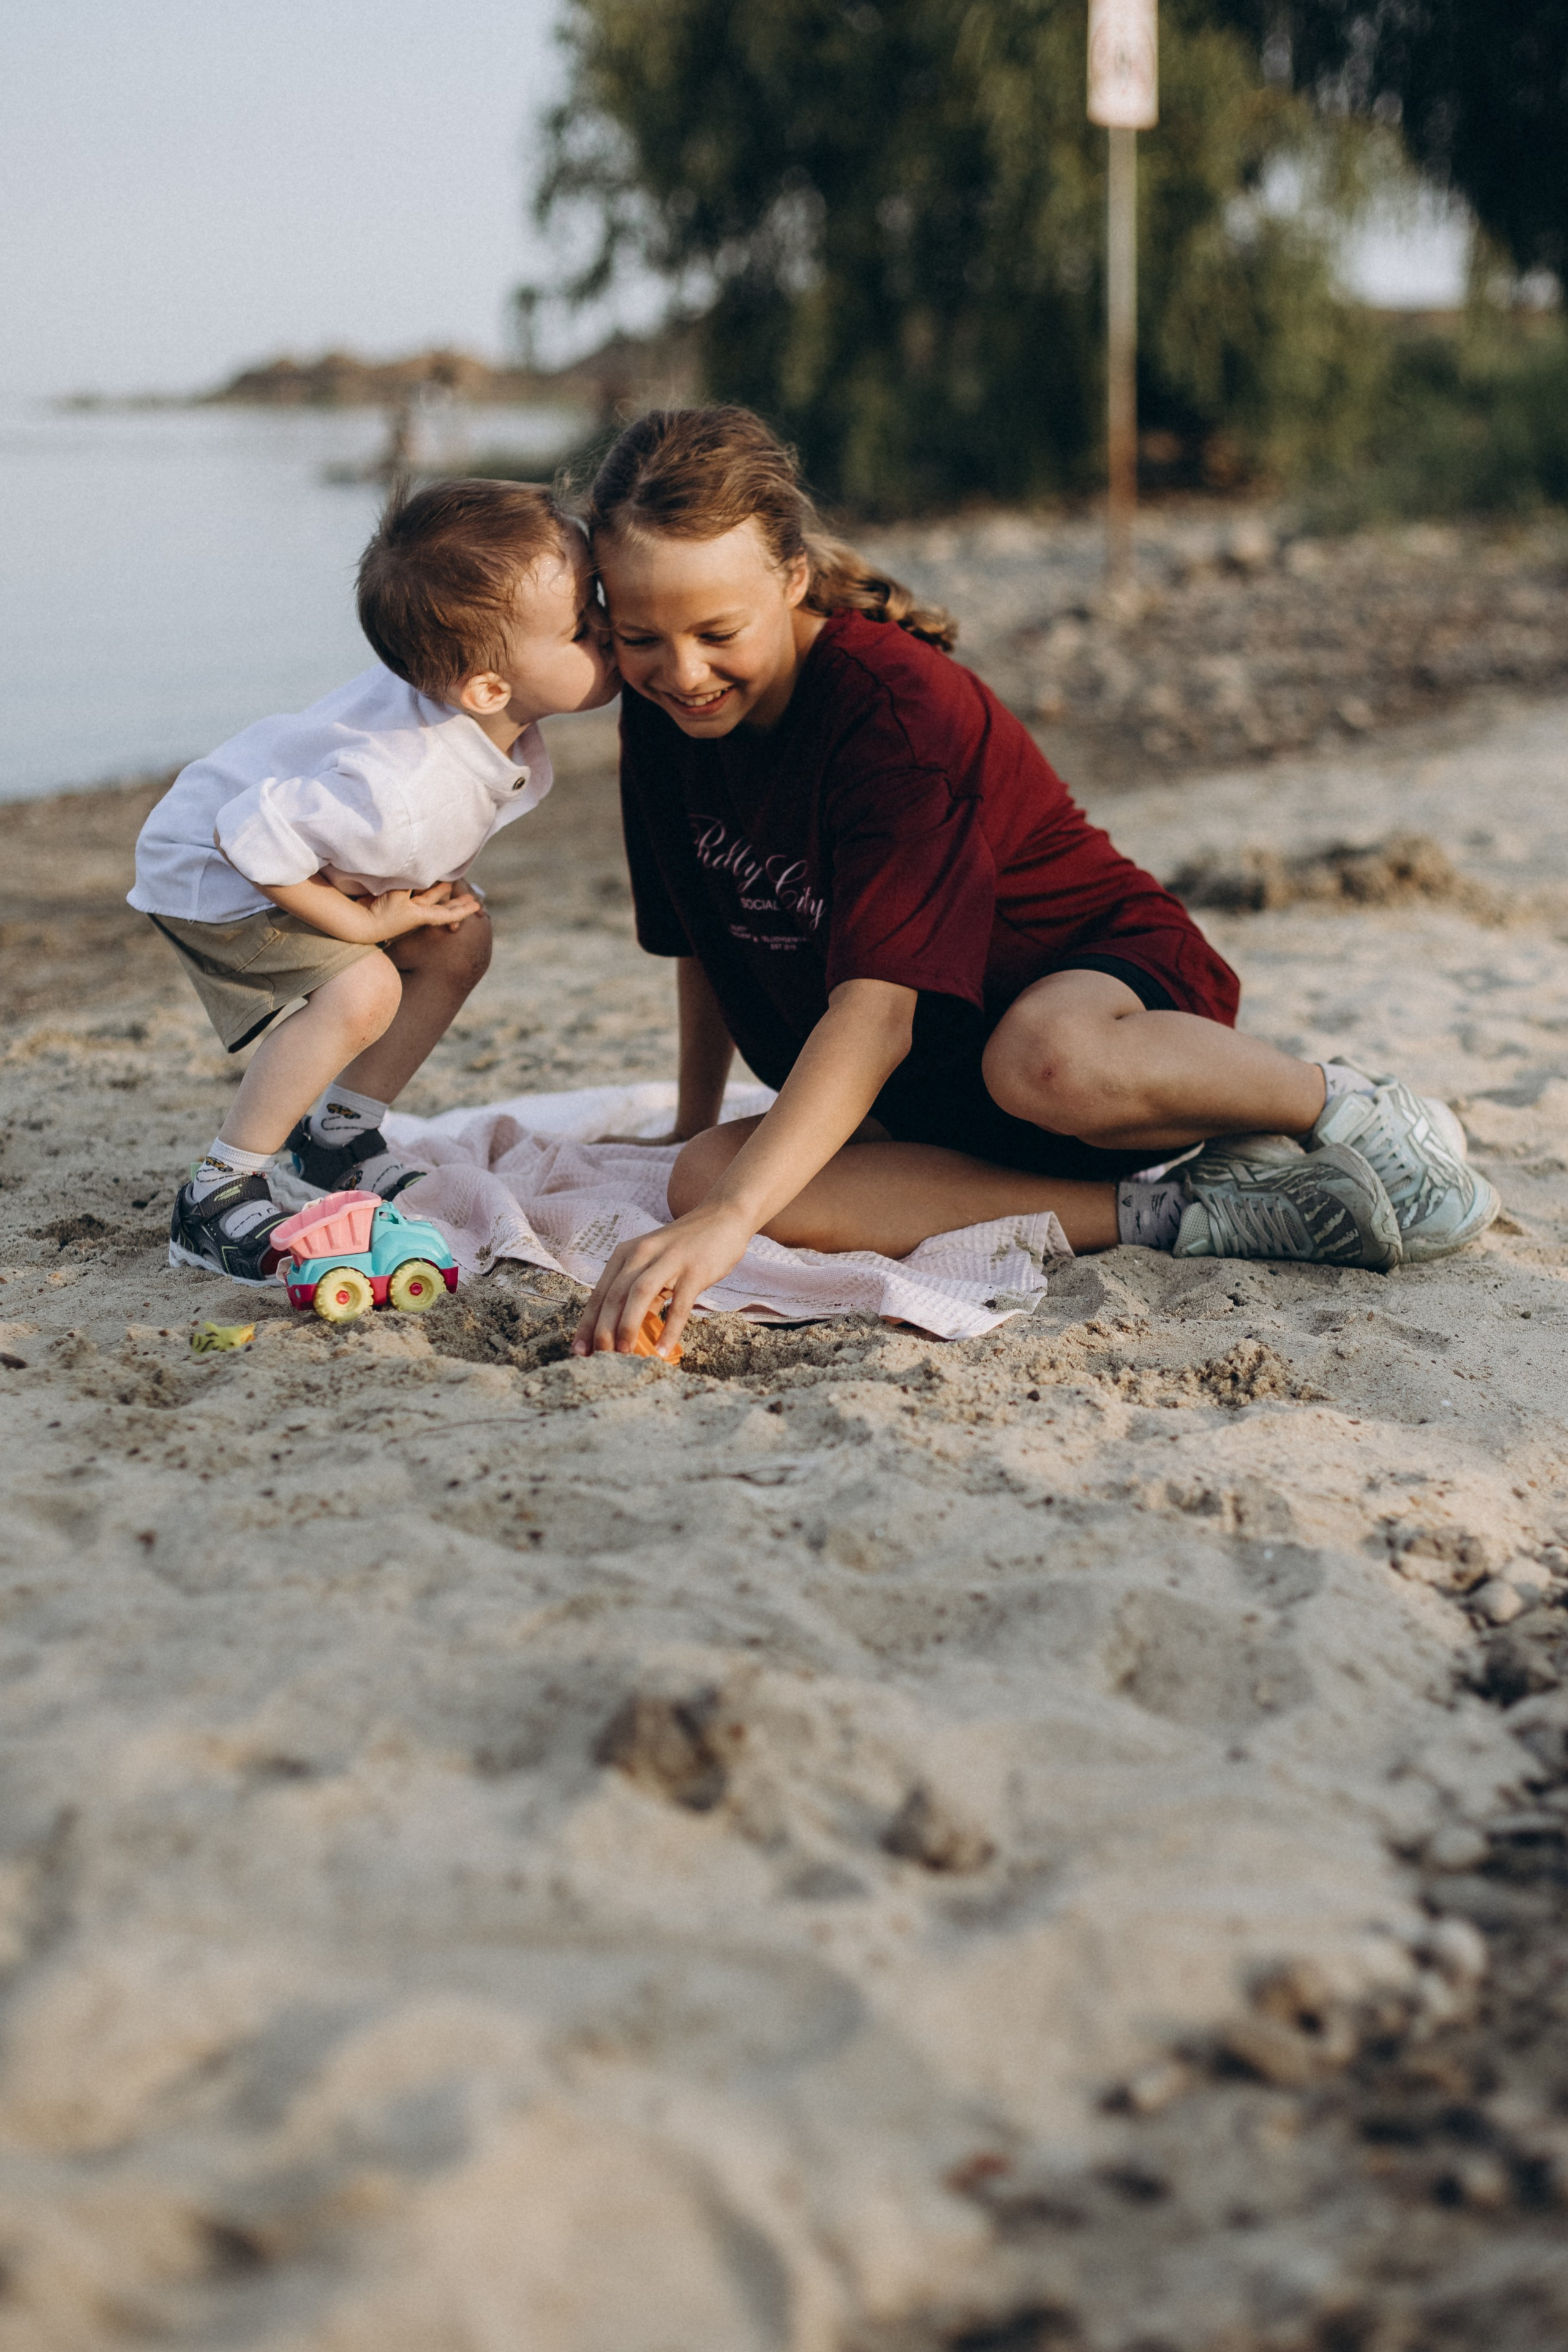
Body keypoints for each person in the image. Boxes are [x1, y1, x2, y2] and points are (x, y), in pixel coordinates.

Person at [571, 405, 1496, 1357]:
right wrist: (694, 1130)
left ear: (793, 577)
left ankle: (1344, 1103)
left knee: (1040, 1060)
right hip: (934, 1090)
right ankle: (1184, 1213)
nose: (682, 672)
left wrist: (733, 1221)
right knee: (706, 1176)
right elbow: (706, 938)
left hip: (1093, 1018)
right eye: (640, 638)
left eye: (718, 631)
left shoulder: (891, 707)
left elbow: (878, 1013)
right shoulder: (661, 722)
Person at [129, 479, 616, 1283]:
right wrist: (361, 927)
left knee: (460, 938)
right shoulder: (403, 788)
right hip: (212, 871)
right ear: (488, 689)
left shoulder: (478, 719)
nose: (610, 635)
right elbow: (247, 833)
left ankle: (331, 1143)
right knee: (364, 993)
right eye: (585, 629)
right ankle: (214, 1197)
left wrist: (406, 903)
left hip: (302, 849)